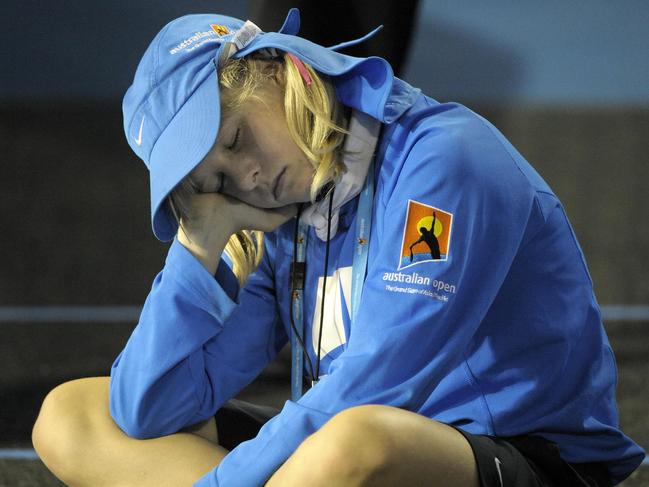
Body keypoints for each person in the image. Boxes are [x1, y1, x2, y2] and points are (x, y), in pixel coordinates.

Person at [32, 8, 644, 487]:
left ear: (279, 70)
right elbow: (152, 409)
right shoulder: (283, 212)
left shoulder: (444, 163)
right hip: (342, 451)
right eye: (215, 180)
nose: (245, 178)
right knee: (73, 414)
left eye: (238, 138)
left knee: (353, 443)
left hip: (520, 457)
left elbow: (375, 389)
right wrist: (198, 242)